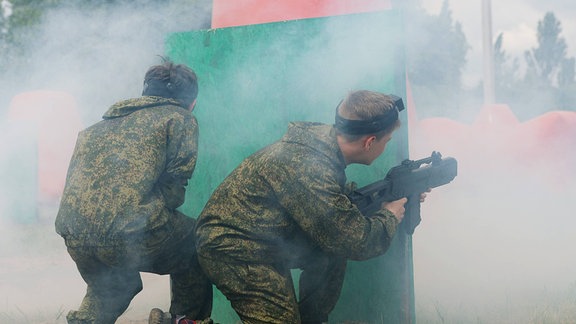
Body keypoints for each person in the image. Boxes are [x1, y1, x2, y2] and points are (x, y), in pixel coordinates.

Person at [195, 90, 429, 324]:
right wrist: (390, 215)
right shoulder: (308, 167)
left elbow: (334, 208)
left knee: (330, 250)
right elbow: (355, 240)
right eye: (387, 141)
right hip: (232, 247)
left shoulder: (322, 148)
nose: (386, 146)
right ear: (369, 142)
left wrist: (391, 198)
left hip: (262, 239)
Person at [55, 60, 213, 324]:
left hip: (74, 235)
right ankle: (184, 321)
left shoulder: (94, 129)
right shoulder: (180, 118)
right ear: (191, 102)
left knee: (114, 286)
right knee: (198, 244)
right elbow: (175, 187)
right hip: (127, 233)